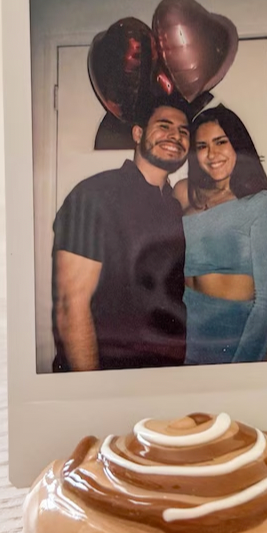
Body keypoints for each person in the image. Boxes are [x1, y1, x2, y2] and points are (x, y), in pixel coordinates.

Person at [52, 97, 190, 371]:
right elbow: (71, 306)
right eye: (164, 126)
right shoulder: (94, 195)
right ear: (138, 133)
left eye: (183, 131)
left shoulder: (174, 206)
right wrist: (93, 389)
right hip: (108, 371)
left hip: (166, 370)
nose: (175, 136)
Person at [175, 105, 267, 364]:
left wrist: (242, 367)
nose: (212, 154)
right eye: (202, 146)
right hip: (183, 342)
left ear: (237, 144)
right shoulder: (186, 194)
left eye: (221, 142)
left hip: (231, 343)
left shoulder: (261, 204)